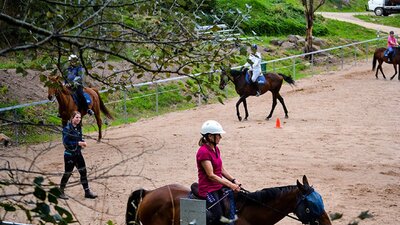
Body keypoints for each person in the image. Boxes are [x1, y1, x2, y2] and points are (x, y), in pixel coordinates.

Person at [196, 120, 241, 224]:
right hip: (208, 190)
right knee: (217, 216)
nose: (221, 137)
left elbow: (221, 169)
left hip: (218, 187)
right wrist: (230, 184)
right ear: (210, 136)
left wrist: (234, 181)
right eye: (218, 135)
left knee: (229, 209)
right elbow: (211, 175)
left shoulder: (216, 149)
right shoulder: (203, 152)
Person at [59, 111, 97, 200]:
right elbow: (66, 142)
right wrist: (78, 143)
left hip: (78, 154)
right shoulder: (67, 128)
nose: (79, 119)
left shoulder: (78, 128)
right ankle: (60, 192)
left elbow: (79, 138)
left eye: (80, 118)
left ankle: (87, 192)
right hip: (69, 155)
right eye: (77, 117)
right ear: (72, 118)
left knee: (83, 172)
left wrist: (82, 142)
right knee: (68, 173)